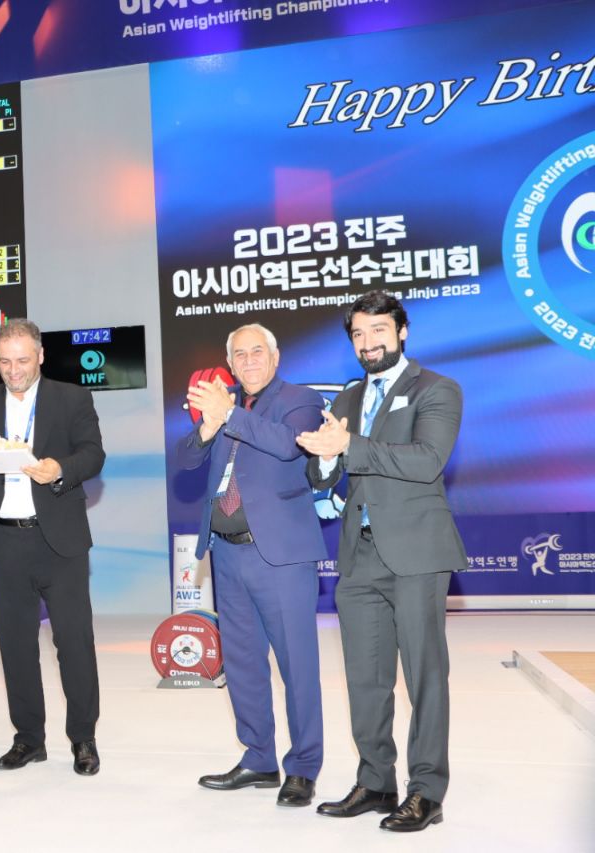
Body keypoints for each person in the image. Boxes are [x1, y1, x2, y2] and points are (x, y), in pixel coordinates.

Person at [296, 290, 465, 833]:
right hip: (359, 554)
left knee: (424, 676)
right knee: (365, 678)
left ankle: (427, 791)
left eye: (378, 331)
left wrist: (348, 445)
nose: (368, 343)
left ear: (402, 331)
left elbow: (427, 460)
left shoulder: (436, 389)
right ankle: (375, 782)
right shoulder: (348, 396)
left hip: (416, 552)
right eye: (358, 334)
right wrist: (325, 459)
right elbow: (325, 472)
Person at [175, 323, 326, 807]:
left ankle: (302, 767)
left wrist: (228, 413)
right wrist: (207, 426)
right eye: (239, 355)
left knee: (296, 665)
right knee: (241, 664)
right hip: (226, 552)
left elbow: (288, 444)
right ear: (230, 363)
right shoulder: (225, 406)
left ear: (275, 357)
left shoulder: (299, 399)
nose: (248, 361)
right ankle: (259, 758)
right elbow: (186, 460)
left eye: (257, 352)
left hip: (279, 555)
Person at [0, 318, 105, 775]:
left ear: (40, 356)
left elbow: (93, 454)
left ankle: (83, 738)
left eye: (22, 360)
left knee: (74, 643)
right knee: (16, 647)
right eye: (5, 361)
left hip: (59, 541)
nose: (14, 370)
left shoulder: (72, 397)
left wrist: (60, 469)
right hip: (4, 541)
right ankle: (28, 739)